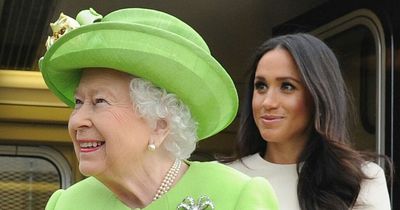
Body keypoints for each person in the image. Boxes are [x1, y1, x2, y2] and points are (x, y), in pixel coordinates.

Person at [39, 8, 279, 210]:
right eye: (78, 103)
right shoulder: (66, 204)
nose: (77, 120)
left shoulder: (238, 196)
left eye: (99, 101)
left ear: (159, 124)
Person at [225, 33, 392, 210]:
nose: (267, 102)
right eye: (261, 86)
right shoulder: (223, 176)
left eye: (287, 86)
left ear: (319, 96)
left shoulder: (362, 180)